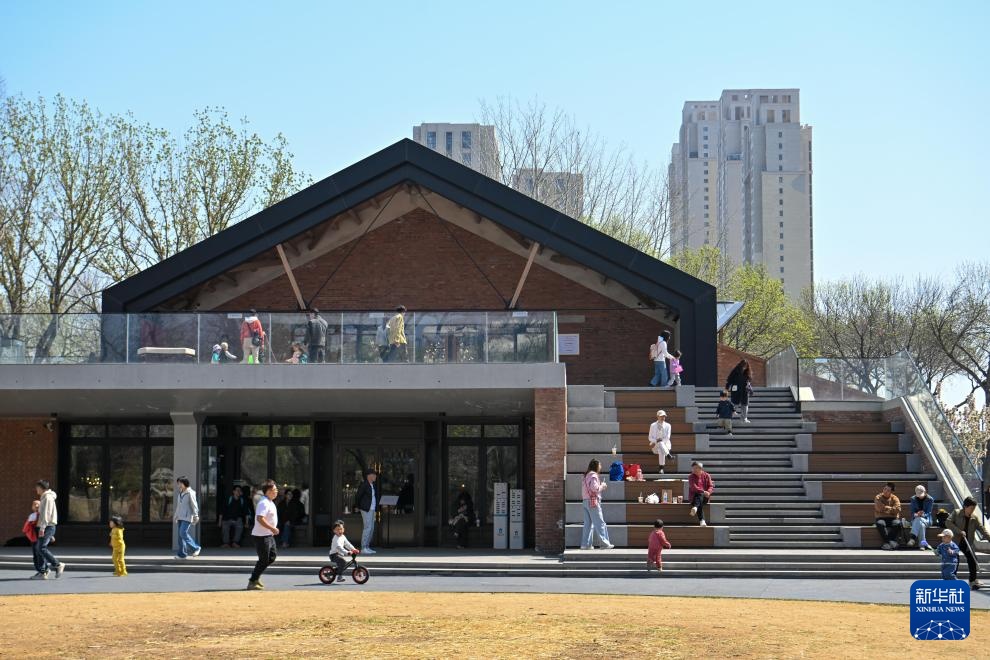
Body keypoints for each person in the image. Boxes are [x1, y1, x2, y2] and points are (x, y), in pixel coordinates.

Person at [946, 496, 987, 589]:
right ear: (965, 506)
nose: (973, 510)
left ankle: (972, 580)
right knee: (955, 560)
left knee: (972, 559)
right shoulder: (956, 513)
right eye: (971, 508)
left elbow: (982, 529)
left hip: (967, 542)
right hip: (956, 542)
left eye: (974, 508)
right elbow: (948, 522)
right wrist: (959, 531)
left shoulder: (974, 518)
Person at [247, 480, 279, 590]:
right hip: (261, 536)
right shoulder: (263, 503)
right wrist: (272, 528)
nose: (276, 491)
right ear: (268, 491)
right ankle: (252, 581)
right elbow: (260, 518)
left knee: (272, 557)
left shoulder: (270, 502)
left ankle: (256, 577)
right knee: (264, 560)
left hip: (269, 535)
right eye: (274, 490)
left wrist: (271, 530)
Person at [32, 480, 64, 579]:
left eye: (37, 488)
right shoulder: (45, 497)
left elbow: (46, 514)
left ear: (41, 488)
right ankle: (43, 571)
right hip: (46, 526)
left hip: (47, 526)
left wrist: (42, 528)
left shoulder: (47, 497)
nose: (36, 490)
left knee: (41, 548)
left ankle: (57, 564)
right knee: (38, 549)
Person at [580, 459, 614, 550]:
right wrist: (602, 486)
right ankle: (604, 544)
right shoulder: (593, 475)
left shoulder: (586, 475)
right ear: (596, 466)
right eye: (600, 465)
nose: (601, 466)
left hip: (585, 501)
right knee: (600, 523)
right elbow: (595, 488)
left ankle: (585, 545)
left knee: (588, 524)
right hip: (593, 502)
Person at [174, 476, 202, 559]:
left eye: (180, 483)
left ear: (184, 483)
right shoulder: (180, 492)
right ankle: (182, 554)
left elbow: (194, 504)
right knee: (180, 536)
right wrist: (176, 515)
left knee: (183, 533)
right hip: (180, 516)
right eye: (178, 483)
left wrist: (196, 515)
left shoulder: (190, 492)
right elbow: (178, 506)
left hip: (187, 516)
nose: (178, 485)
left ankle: (196, 548)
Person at [355, 469, 379, 554]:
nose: (375, 476)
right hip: (366, 509)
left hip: (372, 509)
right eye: (374, 475)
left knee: (371, 528)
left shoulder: (372, 485)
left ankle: (367, 546)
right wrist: (358, 506)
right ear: (369, 476)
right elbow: (358, 496)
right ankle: (363, 547)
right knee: (367, 527)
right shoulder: (364, 485)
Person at [873, 482, 902, 550]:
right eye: (885, 489)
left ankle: (886, 543)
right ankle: (891, 542)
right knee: (880, 523)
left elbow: (898, 509)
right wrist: (891, 509)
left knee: (897, 523)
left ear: (891, 492)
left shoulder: (895, 498)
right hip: (881, 518)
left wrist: (885, 508)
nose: (885, 491)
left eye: (888, 490)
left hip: (893, 518)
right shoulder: (878, 497)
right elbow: (879, 508)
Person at [725, 359, 752, 423]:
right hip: (736, 391)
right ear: (740, 365)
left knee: (744, 405)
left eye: (746, 366)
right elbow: (729, 380)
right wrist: (726, 389)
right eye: (743, 366)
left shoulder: (747, 372)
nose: (744, 367)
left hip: (744, 391)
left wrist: (750, 388)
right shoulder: (735, 371)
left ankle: (744, 418)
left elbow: (749, 381)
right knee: (734, 404)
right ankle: (728, 418)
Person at [908, 484, 934, 549]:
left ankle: (912, 537)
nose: (920, 497)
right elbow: (912, 512)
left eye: (921, 495)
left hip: (926, 519)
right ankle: (922, 545)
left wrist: (922, 515)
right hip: (915, 519)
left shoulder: (930, 499)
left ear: (925, 492)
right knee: (921, 525)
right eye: (918, 495)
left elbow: (929, 512)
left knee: (919, 519)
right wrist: (916, 514)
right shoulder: (913, 499)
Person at [688, 462, 714, 527]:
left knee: (700, 495)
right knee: (699, 495)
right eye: (693, 468)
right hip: (693, 497)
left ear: (700, 468)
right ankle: (702, 521)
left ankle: (695, 507)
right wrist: (703, 492)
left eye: (695, 468)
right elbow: (694, 487)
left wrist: (708, 492)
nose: (693, 470)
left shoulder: (707, 475)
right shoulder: (691, 476)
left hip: (705, 497)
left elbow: (711, 486)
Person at [648, 410, 673, 476]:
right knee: (660, 445)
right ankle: (668, 455)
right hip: (655, 446)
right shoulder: (653, 425)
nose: (663, 418)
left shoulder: (668, 425)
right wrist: (656, 441)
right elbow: (650, 438)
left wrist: (660, 441)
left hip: (666, 446)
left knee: (661, 448)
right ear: (657, 416)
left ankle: (661, 468)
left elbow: (667, 437)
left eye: (664, 416)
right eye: (661, 416)